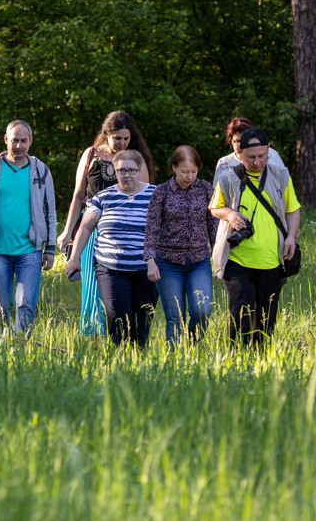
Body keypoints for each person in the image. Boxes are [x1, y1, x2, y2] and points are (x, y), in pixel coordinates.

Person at [56, 111, 154, 337]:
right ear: (106, 135)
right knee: (92, 284)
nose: (121, 143)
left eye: (126, 139)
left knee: (114, 286)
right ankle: (93, 333)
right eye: (117, 138)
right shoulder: (91, 155)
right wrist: (67, 230)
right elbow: (78, 194)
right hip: (91, 227)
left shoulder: (135, 160)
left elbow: (146, 199)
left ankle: (118, 331)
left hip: (123, 231)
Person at [210, 128, 301, 347]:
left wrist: (291, 237)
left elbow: (293, 209)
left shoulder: (280, 176)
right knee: (241, 303)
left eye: (262, 156)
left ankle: (261, 355)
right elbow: (215, 208)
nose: (258, 162)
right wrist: (230, 214)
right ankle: (236, 353)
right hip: (236, 257)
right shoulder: (227, 178)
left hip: (270, 258)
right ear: (239, 153)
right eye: (252, 157)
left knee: (266, 314)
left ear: (268, 151)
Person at [0, 120, 57, 339]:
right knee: (0, 304)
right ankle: (2, 344)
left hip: (31, 250)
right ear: (6, 140)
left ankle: (21, 345)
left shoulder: (40, 171)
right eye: (14, 140)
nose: (18, 145)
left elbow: (50, 210)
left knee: (26, 302)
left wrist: (50, 248)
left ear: (30, 142)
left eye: (23, 141)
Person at [65, 150, 158, 348]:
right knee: (116, 315)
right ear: (114, 172)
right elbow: (86, 227)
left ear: (140, 170)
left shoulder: (156, 195)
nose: (127, 174)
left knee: (142, 319)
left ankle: (138, 357)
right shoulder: (103, 197)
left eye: (132, 170)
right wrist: (74, 258)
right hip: (111, 268)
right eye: (121, 170)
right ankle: (119, 356)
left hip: (147, 269)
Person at [143, 145, 218, 345]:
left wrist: (219, 254)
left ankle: (193, 345)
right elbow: (151, 228)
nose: (189, 176)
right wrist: (150, 260)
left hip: (198, 260)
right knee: (175, 317)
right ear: (174, 168)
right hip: (167, 262)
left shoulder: (205, 189)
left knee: (202, 311)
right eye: (185, 171)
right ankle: (174, 360)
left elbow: (214, 225)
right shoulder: (161, 192)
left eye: (193, 171)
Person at [212, 117, 286, 188]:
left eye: (243, 140)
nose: (240, 145)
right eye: (236, 141)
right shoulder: (224, 163)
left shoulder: (271, 155)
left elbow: (284, 183)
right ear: (231, 141)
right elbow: (217, 193)